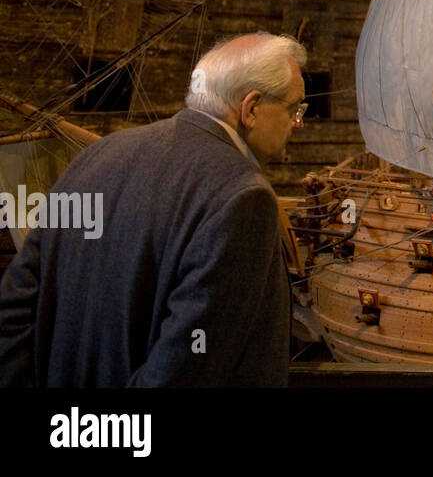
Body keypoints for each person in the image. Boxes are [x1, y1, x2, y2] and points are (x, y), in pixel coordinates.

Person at [0, 32, 306, 386]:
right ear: (251, 108)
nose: (298, 123)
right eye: (294, 108)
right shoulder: (243, 196)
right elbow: (185, 368)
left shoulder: (97, 155)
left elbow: (15, 309)